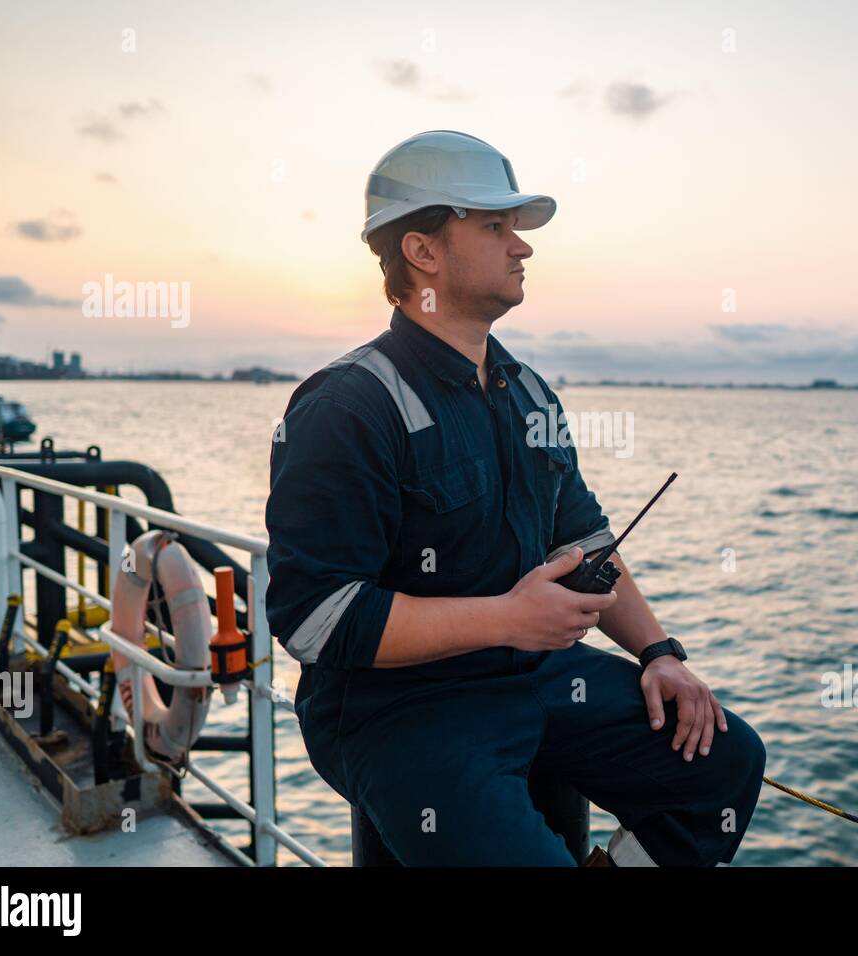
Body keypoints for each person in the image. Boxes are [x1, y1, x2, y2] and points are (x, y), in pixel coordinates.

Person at [265, 130, 766, 865]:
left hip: (532, 677)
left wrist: (660, 654)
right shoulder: (348, 406)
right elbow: (315, 620)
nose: (521, 246)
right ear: (423, 252)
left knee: (725, 763)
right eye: (495, 226)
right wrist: (509, 617)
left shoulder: (528, 391)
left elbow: (589, 541)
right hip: (398, 710)